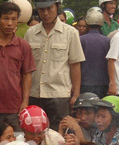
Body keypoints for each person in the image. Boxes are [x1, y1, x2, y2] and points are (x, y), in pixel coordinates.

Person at [25, 0, 85, 131]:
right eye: (42, 10)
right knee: (34, 133)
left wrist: (76, 94)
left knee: (58, 135)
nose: (45, 13)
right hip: (34, 94)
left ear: (57, 7)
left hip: (59, 95)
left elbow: (75, 65)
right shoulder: (30, 33)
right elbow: (25, 67)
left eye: (49, 8)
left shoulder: (70, 33)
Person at [80, 7, 111, 98]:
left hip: (84, 83)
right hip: (103, 83)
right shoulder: (107, 41)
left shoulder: (81, 40)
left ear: (87, 23)